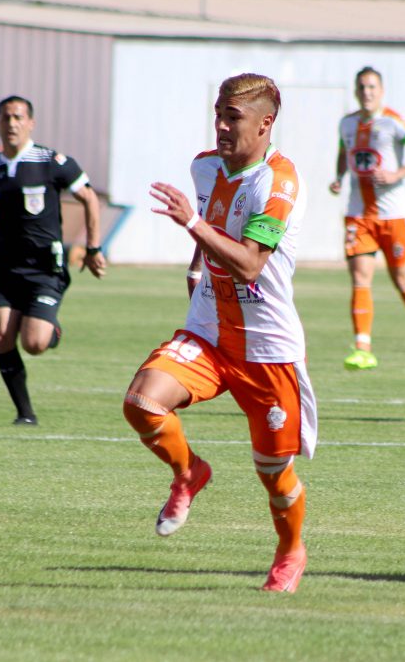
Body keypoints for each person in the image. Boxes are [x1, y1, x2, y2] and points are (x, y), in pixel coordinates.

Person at [122, 74, 317, 593]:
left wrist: (193, 227)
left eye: (233, 117)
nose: (222, 126)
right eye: (219, 114)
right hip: (210, 329)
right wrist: (196, 262)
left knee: (275, 475)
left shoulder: (279, 184)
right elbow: (213, 226)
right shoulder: (205, 166)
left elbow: (252, 264)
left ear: (265, 123)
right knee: (142, 401)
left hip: (266, 346)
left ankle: (290, 551)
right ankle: (188, 473)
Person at [0, 95, 106, 425]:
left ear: (31, 122)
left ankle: (50, 330)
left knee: (34, 344)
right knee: (1, 336)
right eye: (5, 117)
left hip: (46, 268)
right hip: (6, 266)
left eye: (18, 117)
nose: (11, 123)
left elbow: (89, 198)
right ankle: (25, 414)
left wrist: (93, 248)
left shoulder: (51, 161)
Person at [329, 66, 405, 370]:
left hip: (393, 215)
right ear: (355, 91)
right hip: (358, 214)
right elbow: (342, 152)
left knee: (400, 279)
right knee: (360, 279)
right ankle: (363, 347)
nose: (367, 92)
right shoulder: (347, 124)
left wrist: (397, 174)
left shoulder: (395, 121)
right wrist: (338, 177)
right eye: (362, 87)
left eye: (372, 87)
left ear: (381, 91)